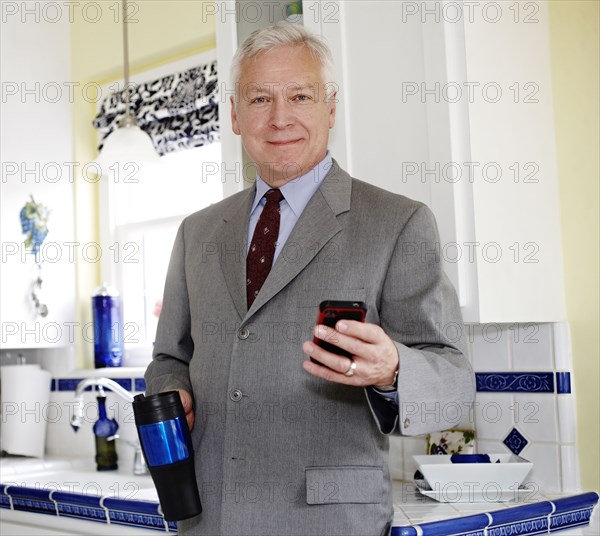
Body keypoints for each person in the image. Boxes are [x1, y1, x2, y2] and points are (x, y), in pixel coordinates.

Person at [145, 23, 475, 536]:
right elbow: (169, 358)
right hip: (210, 519)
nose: (279, 118)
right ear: (234, 114)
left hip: (331, 522)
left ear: (331, 108)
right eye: (259, 98)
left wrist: (392, 370)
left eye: (300, 95)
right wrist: (174, 390)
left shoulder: (397, 222)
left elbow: (454, 383)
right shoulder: (197, 232)